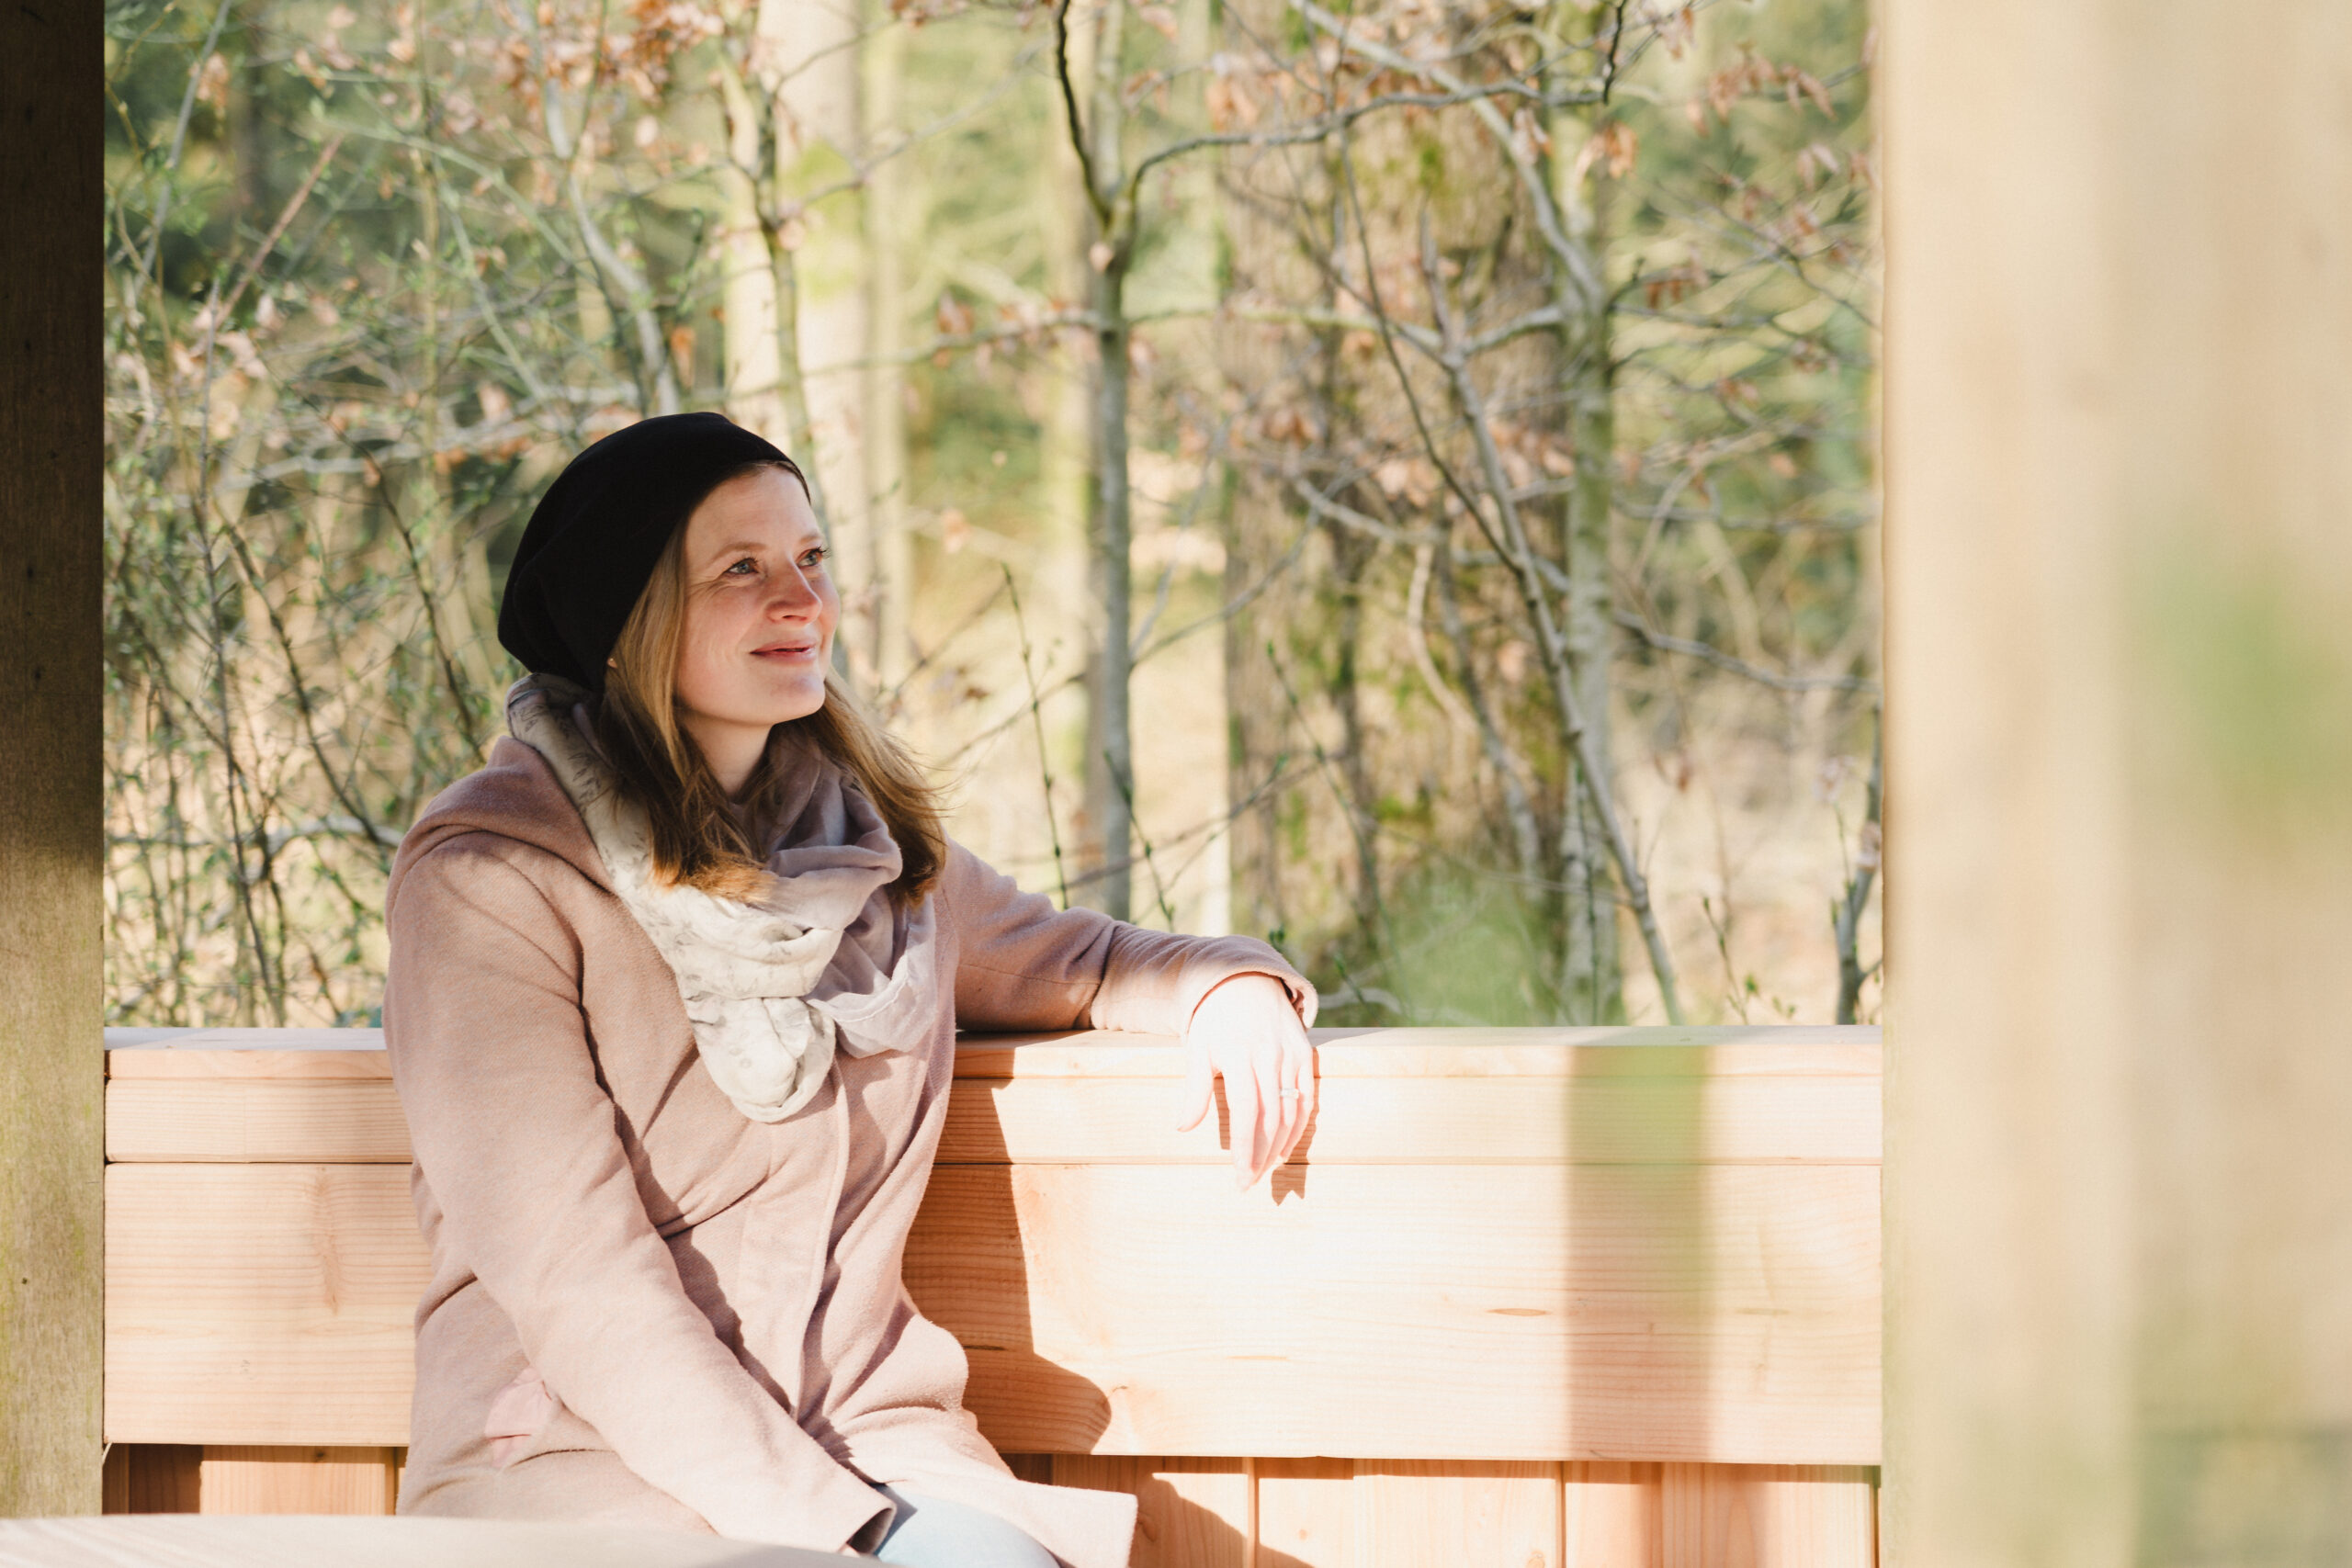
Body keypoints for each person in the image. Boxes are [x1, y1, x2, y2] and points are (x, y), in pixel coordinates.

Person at [381, 413, 1317, 1568]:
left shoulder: (873, 860)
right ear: (627, 621)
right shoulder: (491, 878)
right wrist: (832, 1533)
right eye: (742, 569)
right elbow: (575, 1280)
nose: (803, 601)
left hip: (865, 1435)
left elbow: (1084, 959)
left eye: (811, 557)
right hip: (580, 1453)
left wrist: (1229, 989)